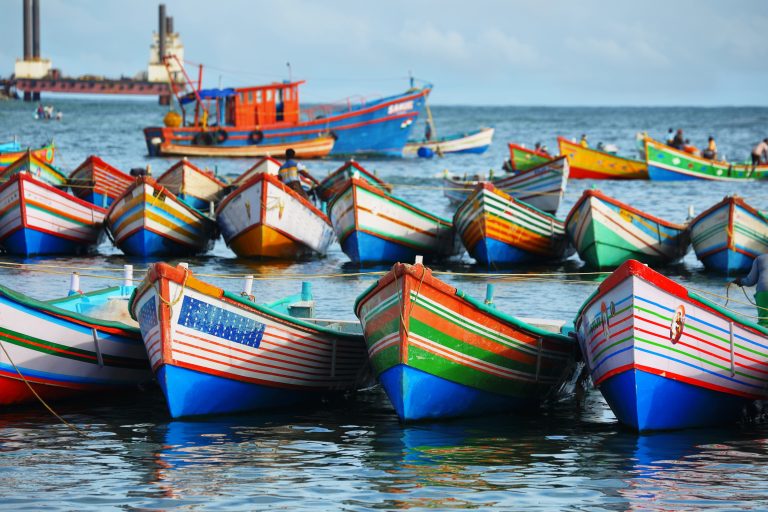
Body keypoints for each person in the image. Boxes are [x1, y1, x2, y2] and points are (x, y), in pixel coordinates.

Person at [733, 254, 768, 326]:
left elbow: (750, 281)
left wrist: (740, 281)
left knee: (764, 322)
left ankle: (760, 334)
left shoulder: (760, 259)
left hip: (763, 292)